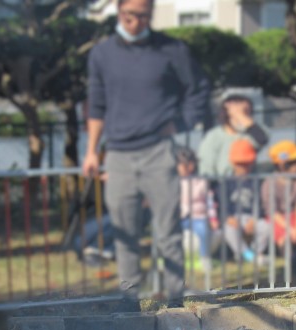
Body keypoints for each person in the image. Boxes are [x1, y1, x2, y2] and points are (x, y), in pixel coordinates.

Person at [82, 0, 210, 310]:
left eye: (143, 16)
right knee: (125, 236)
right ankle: (129, 304)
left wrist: (180, 122)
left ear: (151, 15)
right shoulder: (101, 54)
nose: (135, 22)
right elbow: (96, 104)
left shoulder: (172, 50)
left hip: (159, 152)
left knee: (168, 233)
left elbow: (198, 89)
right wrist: (91, 152)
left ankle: (176, 302)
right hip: (118, 155)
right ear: (119, 11)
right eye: (129, 15)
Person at [221, 139, 269, 265]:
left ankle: (254, 252)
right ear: (232, 163)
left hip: (252, 217)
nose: (243, 167)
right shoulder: (226, 182)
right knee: (228, 230)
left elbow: (261, 203)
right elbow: (222, 204)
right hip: (233, 218)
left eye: (246, 163)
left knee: (266, 227)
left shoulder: (258, 181)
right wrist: (228, 217)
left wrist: (255, 218)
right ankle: (247, 255)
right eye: (239, 164)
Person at [197, 94, 269, 179]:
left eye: (247, 112)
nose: (246, 116)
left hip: (248, 181)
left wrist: (241, 116)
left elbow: (262, 139)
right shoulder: (214, 136)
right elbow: (206, 166)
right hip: (222, 182)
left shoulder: (250, 135)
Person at [176, 145, 221, 271]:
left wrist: (213, 219)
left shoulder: (201, 181)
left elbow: (209, 202)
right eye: (182, 164)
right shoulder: (174, 182)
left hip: (198, 217)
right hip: (180, 217)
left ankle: (204, 257)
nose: (186, 167)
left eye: (189, 163)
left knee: (203, 230)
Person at [263, 141, 296, 253]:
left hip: (293, 217)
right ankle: (288, 253)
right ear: (284, 165)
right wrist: (290, 229)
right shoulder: (269, 183)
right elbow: (272, 212)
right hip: (277, 220)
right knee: (283, 235)